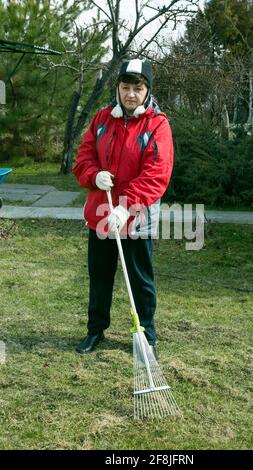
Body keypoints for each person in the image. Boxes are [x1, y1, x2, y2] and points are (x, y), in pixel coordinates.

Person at [73, 58, 174, 355]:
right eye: (125, 87)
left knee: (140, 280)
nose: (131, 94)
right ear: (117, 88)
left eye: (137, 88)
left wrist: (124, 207)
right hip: (101, 216)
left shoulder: (158, 125)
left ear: (147, 91)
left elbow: (156, 174)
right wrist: (94, 175)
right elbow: (83, 159)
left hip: (137, 218)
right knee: (100, 276)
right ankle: (95, 330)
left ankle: (146, 335)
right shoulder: (102, 119)